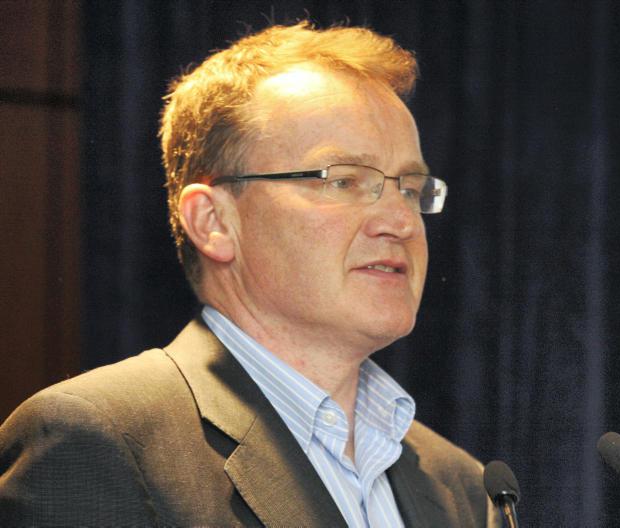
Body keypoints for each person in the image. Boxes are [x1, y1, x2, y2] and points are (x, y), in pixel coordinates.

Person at [0, 22, 497, 526]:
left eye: (410, 189)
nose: (401, 221)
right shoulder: (100, 442)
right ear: (213, 222)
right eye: (343, 181)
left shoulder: (464, 487)